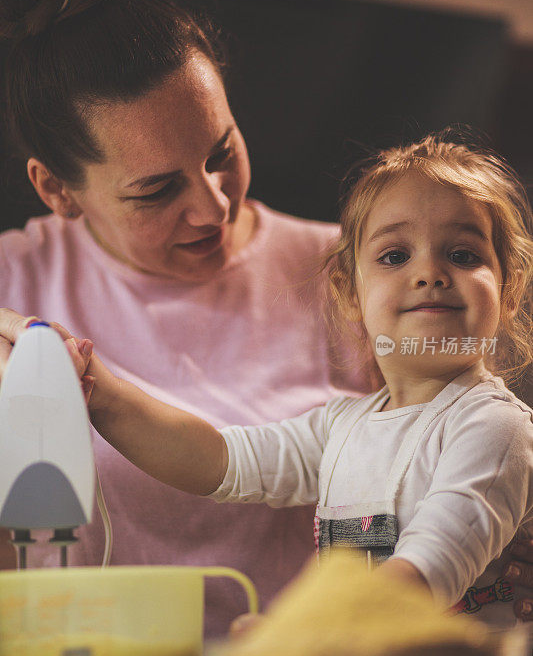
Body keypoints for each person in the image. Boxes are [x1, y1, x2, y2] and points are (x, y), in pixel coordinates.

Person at [0, 0, 373, 637]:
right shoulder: (16, 284)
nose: (214, 207)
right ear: (57, 190)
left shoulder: (359, 272)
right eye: (157, 190)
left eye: (221, 153)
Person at [25, 133, 533, 628]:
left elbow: (430, 567)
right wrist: (97, 390)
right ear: (349, 294)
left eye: (464, 255)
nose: (430, 273)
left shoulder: (493, 428)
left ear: (510, 290)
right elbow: (217, 460)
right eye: (395, 256)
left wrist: (292, 636)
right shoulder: (343, 425)